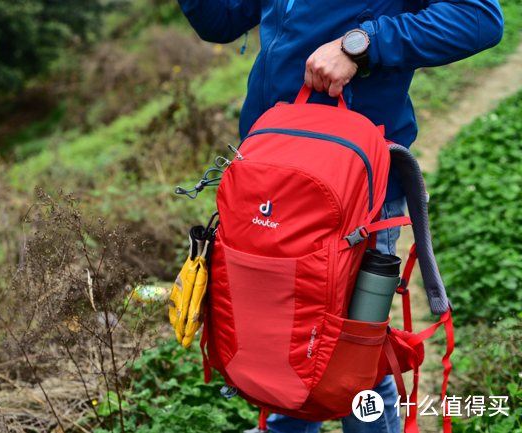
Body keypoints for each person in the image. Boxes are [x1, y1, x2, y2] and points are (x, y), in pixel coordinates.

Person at [177, 0, 504, 431]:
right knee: (284, 326)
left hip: (353, 187)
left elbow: (478, 19)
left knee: (354, 348)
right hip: (269, 169)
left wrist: (361, 45)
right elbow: (222, 21)